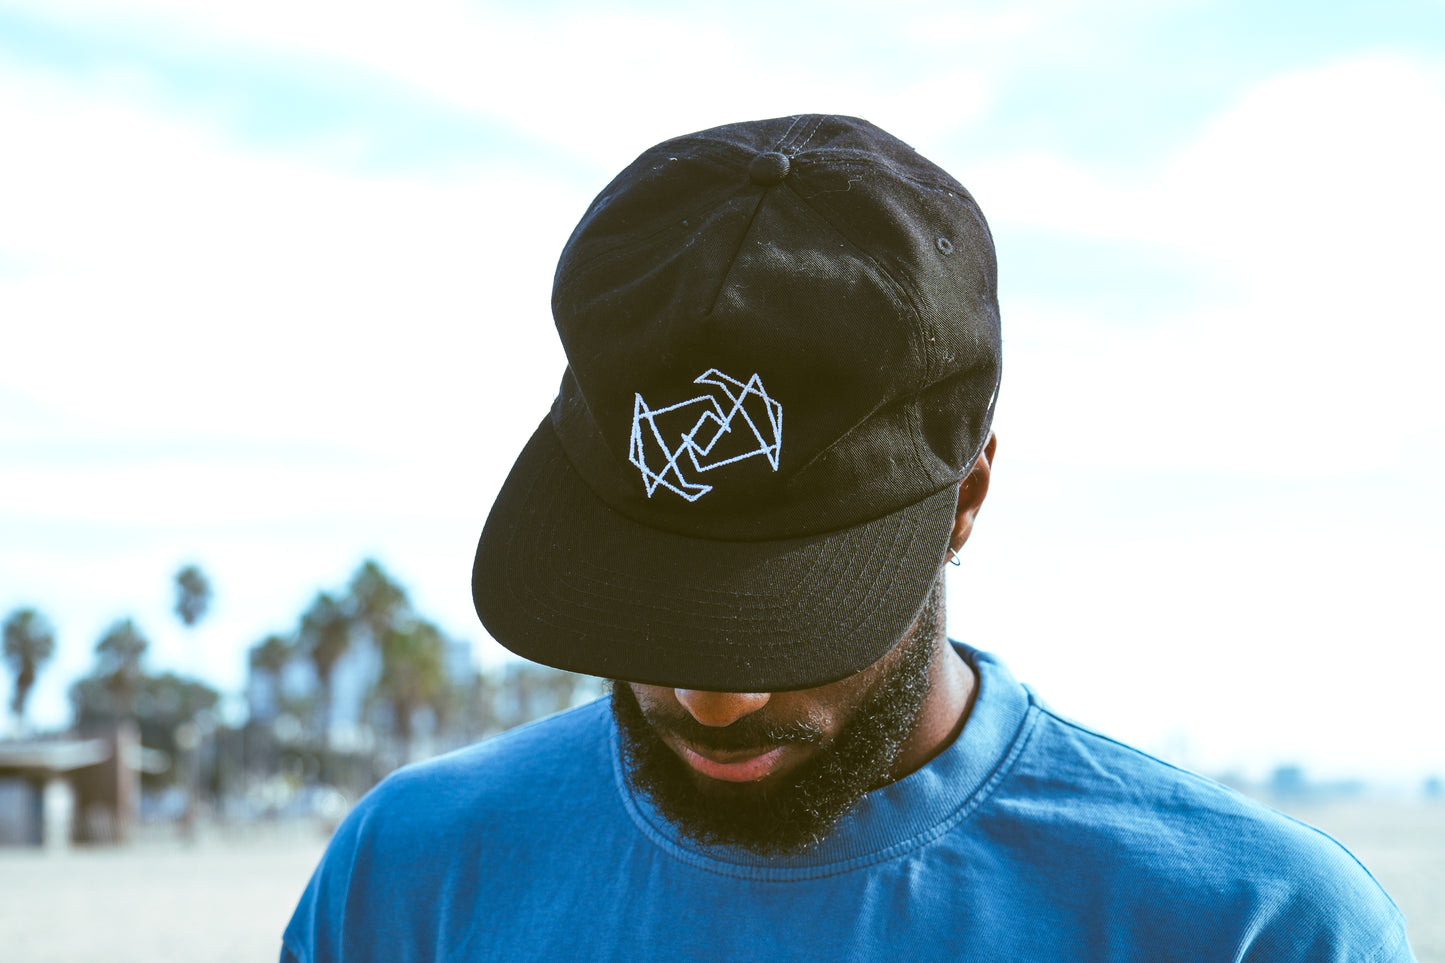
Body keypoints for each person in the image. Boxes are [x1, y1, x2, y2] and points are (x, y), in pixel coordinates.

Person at [281, 114, 1416, 961]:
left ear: (966, 497)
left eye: (784, 612)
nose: (710, 700)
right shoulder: (407, 877)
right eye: (650, 594)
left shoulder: (1251, 929)